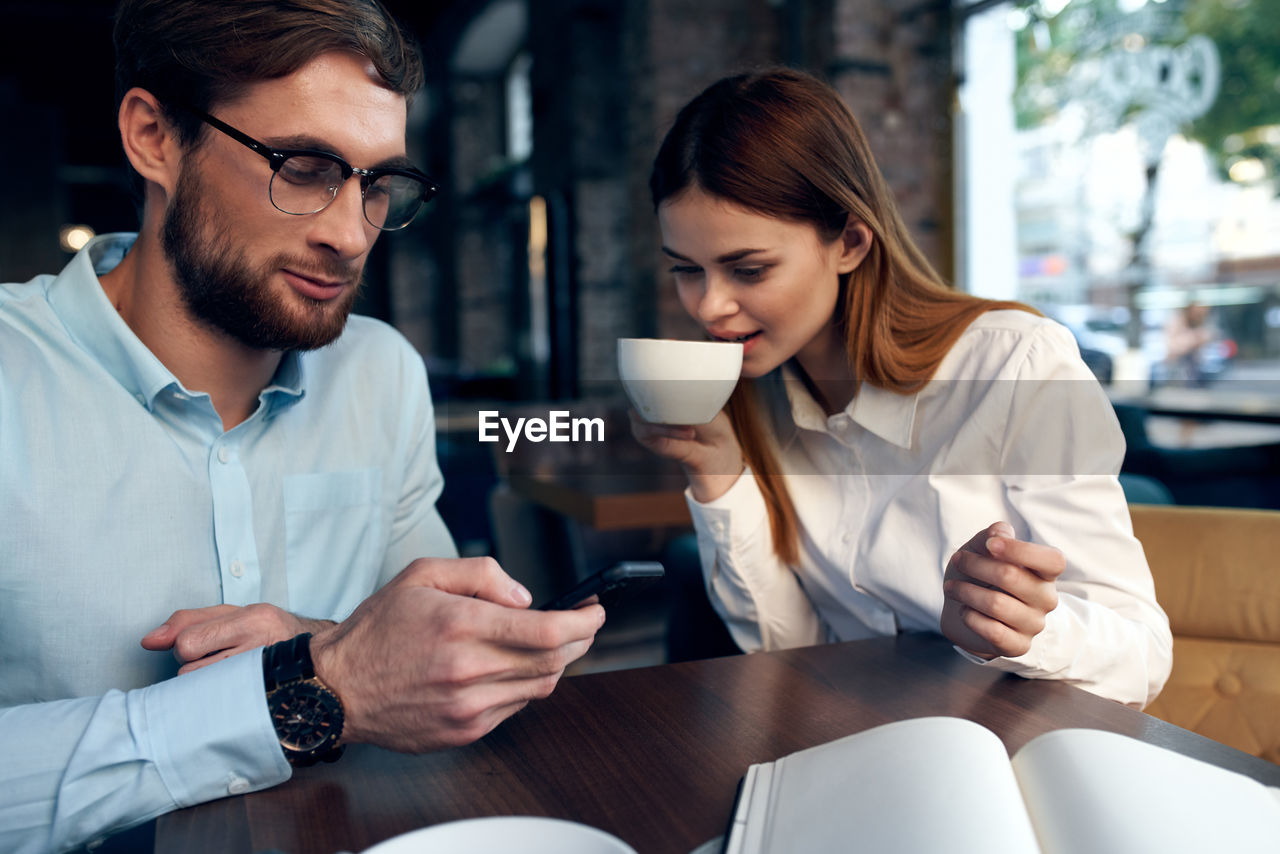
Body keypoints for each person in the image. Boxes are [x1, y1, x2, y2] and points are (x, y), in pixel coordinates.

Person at [0, 2, 603, 851]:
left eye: (377, 183)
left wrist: (323, 650)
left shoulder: (380, 372)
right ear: (154, 138)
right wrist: (299, 695)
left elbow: (427, 657)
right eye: (306, 167)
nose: (351, 235)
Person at [632, 68, 1172, 708]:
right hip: (861, 743)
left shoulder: (1015, 364)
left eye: (748, 269)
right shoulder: (755, 393)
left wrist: (1021, 629)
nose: (711, 307)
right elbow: (792, 646)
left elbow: (1141, 657)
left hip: (1013, 750)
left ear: (851, 243)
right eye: (687, 271)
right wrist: (718, 473)